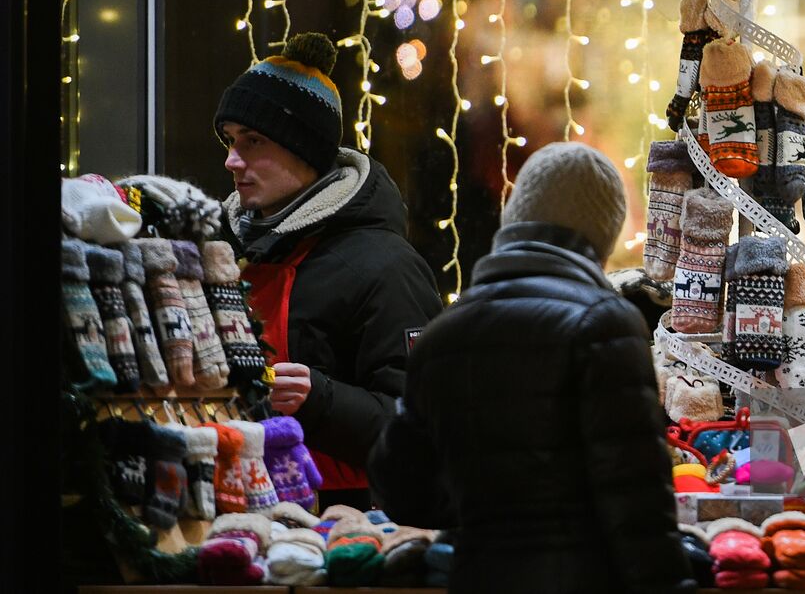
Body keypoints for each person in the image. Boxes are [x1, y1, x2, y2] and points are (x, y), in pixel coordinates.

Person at [368, 142, 693, 594]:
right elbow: (637, 502)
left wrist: (484, 509)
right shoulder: (605, 322)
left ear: (515, 219)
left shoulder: (444, 334)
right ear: (600, 238)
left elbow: (402, 490)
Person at [215, 32, 443, 510]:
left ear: (307, 151)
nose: (233, 160)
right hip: (236, 512)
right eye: (232, 140)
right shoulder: (224, 254)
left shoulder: (388, 268)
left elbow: (428, 428)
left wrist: (318, 399)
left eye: (253, 141)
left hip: (348, 534)